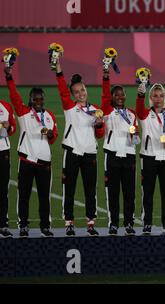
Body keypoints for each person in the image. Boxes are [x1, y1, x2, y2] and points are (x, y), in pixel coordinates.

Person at [5, 66, 57, 237]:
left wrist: (50, 134)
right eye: (35, 99)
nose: (38, 102)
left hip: (44, 163)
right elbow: (14, 96)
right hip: (26, 161)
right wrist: (9, 77)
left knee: (44, 197)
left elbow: (54, 137)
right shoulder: (23, 112)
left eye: (40, 99)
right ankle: (23, 225)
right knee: (24, 196)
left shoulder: (49, 116)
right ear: (30, 100)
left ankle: (45, 226)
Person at [54, 62, 105, 236]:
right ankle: (69, 223)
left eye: (82, 90)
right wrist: (59, 68)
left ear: (86, 90)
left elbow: (100, 135)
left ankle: (91, 223)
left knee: (91, 190)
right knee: (69, 188)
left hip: (90, 154)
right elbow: (61, 88)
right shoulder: (69, 107)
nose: (80, 94)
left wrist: (99, 125)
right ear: (72, 95)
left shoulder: (96, 111)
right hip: (72, 153)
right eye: (76, 92)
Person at [101, 68, 139, 236]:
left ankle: (129, 223)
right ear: (111, 98)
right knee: (113, 192)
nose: (120, 97)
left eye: (122, 94)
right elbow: (104, 95)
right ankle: (114, 223)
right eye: (116, 95)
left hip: (129, 156)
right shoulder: (107, 111)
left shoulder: (131, 114)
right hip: (112, 155)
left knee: (129, 192)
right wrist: (106, 76)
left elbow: (136, 139)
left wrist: (135, 136)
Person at [136, 82, 165, 235]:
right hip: (149, 157)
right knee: (148, 192)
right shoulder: (145, 114)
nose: (158, 99)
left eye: (160, 96)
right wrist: (140, 94)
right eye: (155, 96)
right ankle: (147, 223)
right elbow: (139, 110)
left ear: (164, 97)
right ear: (150, 98)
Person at [0, 71, 18, 238]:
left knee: (2, 189)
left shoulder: (5, 107)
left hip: (3, 152)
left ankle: (3, 224)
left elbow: (12, 129)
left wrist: (7, 127)